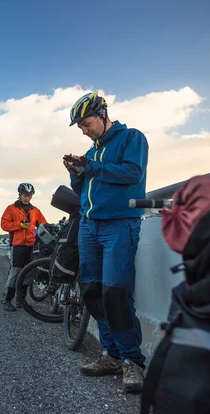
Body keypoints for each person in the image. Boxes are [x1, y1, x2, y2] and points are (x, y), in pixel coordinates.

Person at [63, 92, 149, 393]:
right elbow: (85, 187)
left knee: (115, 294)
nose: (84, 131)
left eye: (86, 124)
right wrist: (76, 173)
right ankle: (111, 354)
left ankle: (132, 361)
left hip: (120, 225)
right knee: (91, 291)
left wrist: (92, 167)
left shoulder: (131, 138)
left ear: (103, 115)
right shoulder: (93, 151)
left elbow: (132, 173)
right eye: (81, 128)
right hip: (89, 225)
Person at [0, 182, 48, 312]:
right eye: (25, 195)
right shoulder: (11, 209)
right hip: (17, 246)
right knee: (15, 273)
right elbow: (4, 224)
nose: (27, 198)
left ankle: (21, 300)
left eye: (29, 195)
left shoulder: (35, 211)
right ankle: (6, 300)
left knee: (29, 273)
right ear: (19, 195)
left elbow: (43, 225)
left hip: (31, 246)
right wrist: (19, 225)